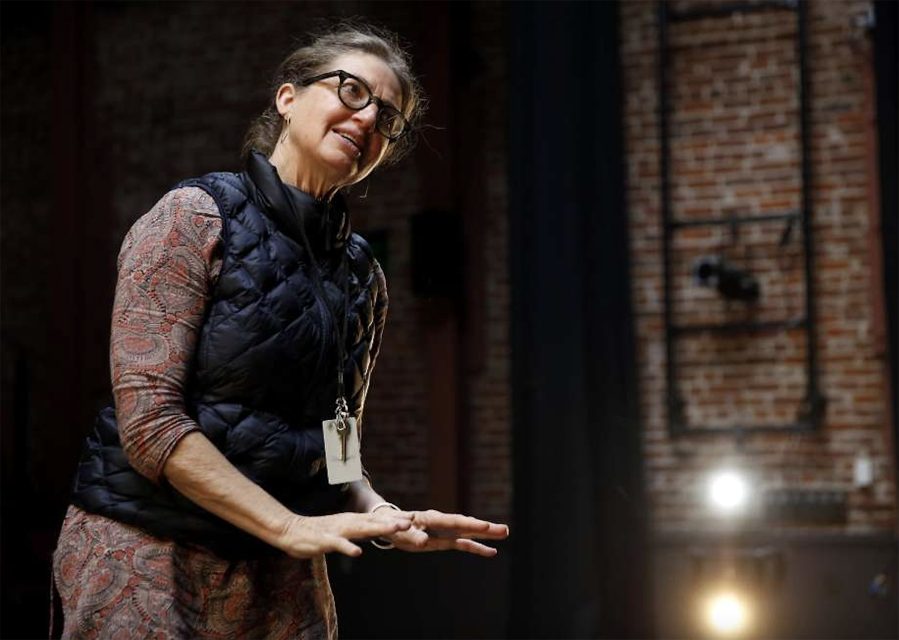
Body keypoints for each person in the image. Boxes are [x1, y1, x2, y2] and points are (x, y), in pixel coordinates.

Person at [51, 22, 509, 639]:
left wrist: (384, 516)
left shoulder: (363, 273)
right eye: (351, 90)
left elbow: (339, 439)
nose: (368, 118)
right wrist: (288, 525)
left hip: (281, 562)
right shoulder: (193, 218)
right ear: (287, 98)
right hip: (151, 546)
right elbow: (150, 425)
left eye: (388, 117)